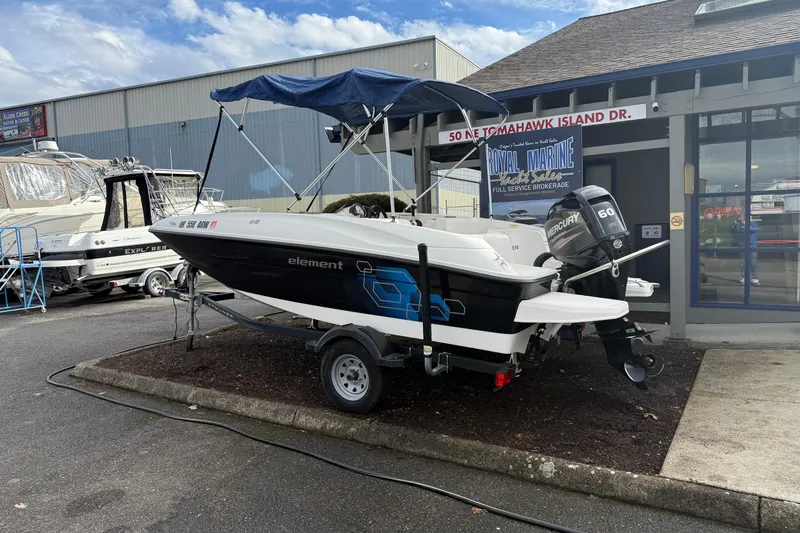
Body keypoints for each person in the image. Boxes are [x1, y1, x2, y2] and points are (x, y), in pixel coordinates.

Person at [731, 216, 759, 285]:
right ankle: (743, 277)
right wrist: (737, 224)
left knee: (753, 262)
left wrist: (745, 225)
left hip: (752, 245)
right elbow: (738, 231)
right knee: (743, 263)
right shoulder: (739, 224)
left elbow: (753, 230)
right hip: (743, 245)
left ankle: (754, 278)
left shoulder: (753, 223)